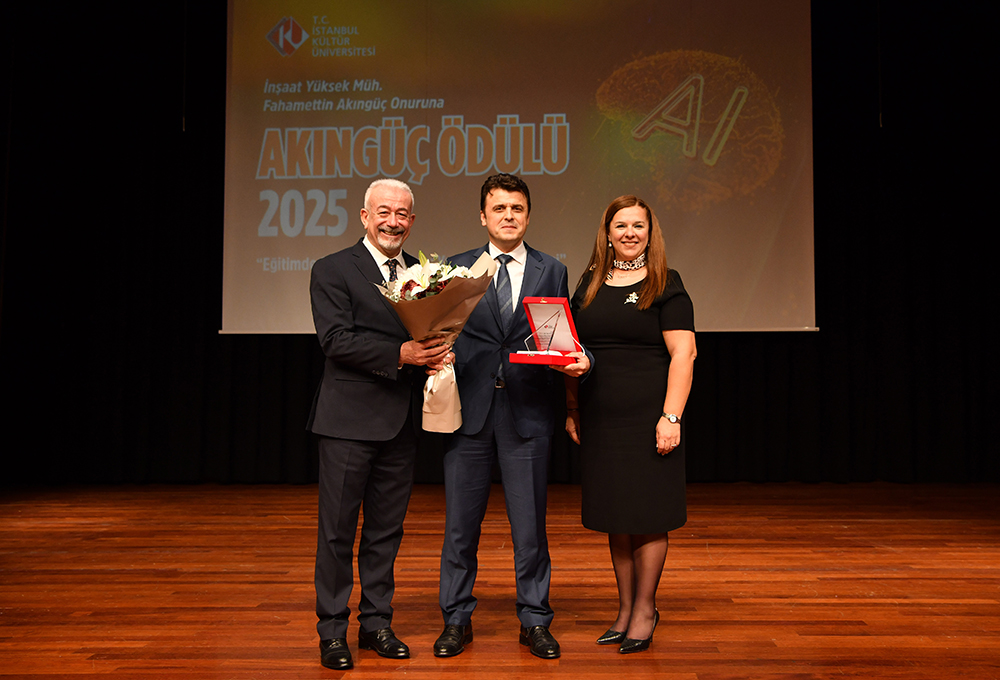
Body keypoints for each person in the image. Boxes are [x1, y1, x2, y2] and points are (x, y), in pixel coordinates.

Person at [434, 173, 591, 660]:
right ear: (483, 216)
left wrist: (573, 365)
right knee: (461, 528)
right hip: (470, 412)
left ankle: (535, 619)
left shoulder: (552, 269)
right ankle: (456, 619)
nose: (508, 216)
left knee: (530, 528)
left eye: (516, 208)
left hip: (528, 411)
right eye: (499, 208)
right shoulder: (456, 268)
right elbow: (442, 332)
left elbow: (559, 336)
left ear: (528, 215)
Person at [308, 178, 451, 670]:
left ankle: (376, 624)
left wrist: (437, 352)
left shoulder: (423, 274)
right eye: (384, 212)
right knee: (337, 533)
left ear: (412, 221)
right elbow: (335, 340)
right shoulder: (332, 269)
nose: (394, 222)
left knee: (386, 532)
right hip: (347, 423)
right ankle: (332, 631)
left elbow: (428, 334)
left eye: (403, 214)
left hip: (400, 423)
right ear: (364, 217)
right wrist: (402, 354)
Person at [564, 195, 696, 654]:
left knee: (648, 515)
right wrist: (573, 408)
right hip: (602, 418)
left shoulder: (666, 282)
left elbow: (684, 354)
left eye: (638, 225)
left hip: (649, 418)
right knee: (616, 516)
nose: (629, 233)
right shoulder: (589, 283)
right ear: (607, 233)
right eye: (620, 225)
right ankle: (623, 610)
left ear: (650, 232)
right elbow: (570, 351)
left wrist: (671, 416)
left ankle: (644, 610)